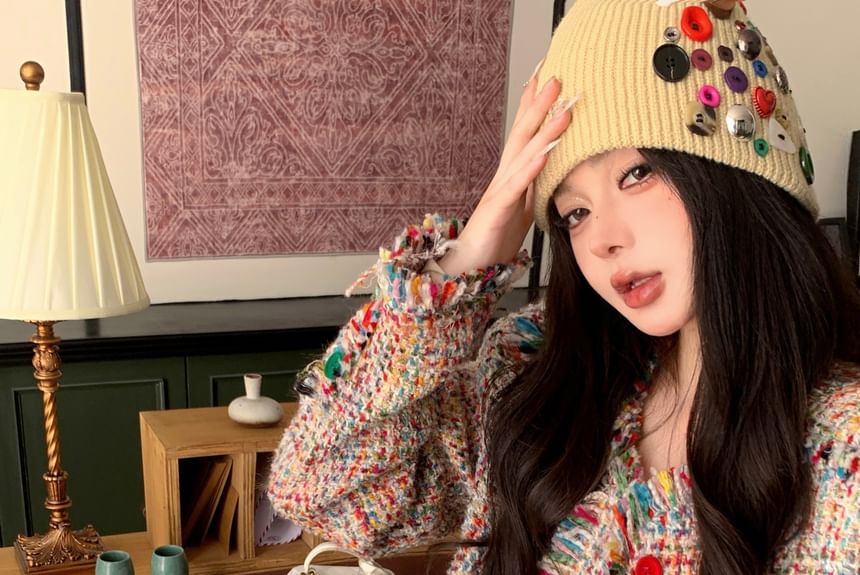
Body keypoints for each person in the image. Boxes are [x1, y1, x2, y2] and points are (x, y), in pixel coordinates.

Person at [267, 0, 860, 573]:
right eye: (574, 212)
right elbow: (317, 491)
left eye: (637, 173)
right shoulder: (537, 382)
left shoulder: (843, 453)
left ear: (737, 175)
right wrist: (462, 263)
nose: (600, 240)